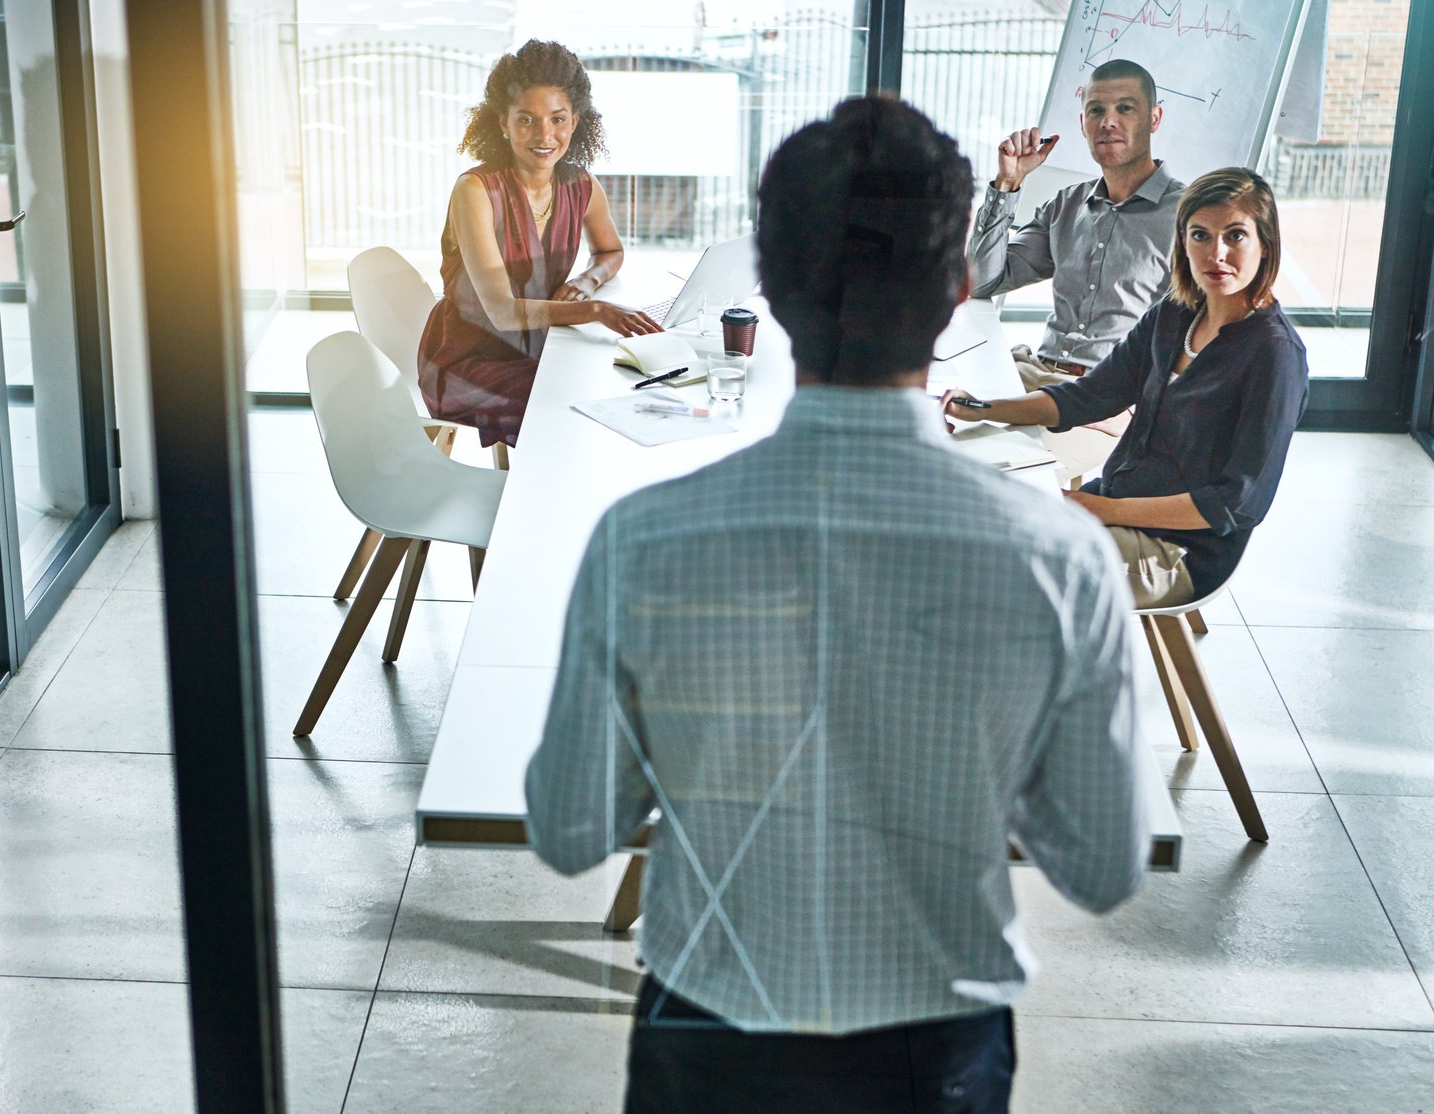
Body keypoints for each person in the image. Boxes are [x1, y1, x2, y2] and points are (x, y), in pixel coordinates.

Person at [525, 95, 1149, 1113]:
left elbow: (567, 828)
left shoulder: (642, 540)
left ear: (768, 290)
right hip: (936, 1050)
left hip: (707, 1030)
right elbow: (1102, 862)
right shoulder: (1062, 556)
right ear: (956, 290)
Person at [944, 168, 1309, 609]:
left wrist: (1104, 511)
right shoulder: (1175, 314)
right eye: (1200, 235)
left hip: (1178, 552)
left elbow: (1237, 504)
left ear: (1265, 245)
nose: (1217, 253)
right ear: (1183, 241)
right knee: (973, 523)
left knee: (1001, 566)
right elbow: (1089, 397)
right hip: (1113, 506)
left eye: (1235, 236)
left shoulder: (1275, 355)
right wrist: (985, 407)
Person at [417, 40, 660, 449]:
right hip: (470, 360)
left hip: (540, 346)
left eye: (557, 119)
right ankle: (545, 504)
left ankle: (571, 498)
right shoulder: (475, 190)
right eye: (526, 120)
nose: (544, 135)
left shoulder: (580, 185)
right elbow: (500, 311)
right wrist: (595, 310)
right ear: (502, 123)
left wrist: (588, 280)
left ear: (576, 122)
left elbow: (610, 252)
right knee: (579, 405)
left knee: (610, 385)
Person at [968, 59, 1183, 457]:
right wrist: (1008, 184)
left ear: (1154, 118)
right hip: (1035, 376)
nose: (1108, 122)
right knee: (932, 421)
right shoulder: (1066, 205)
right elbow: (982, 281)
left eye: (1126, 109)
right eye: (1096, 110)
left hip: (1109, 403)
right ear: (1083, 123)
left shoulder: (1188, 217)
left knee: (989, 458)